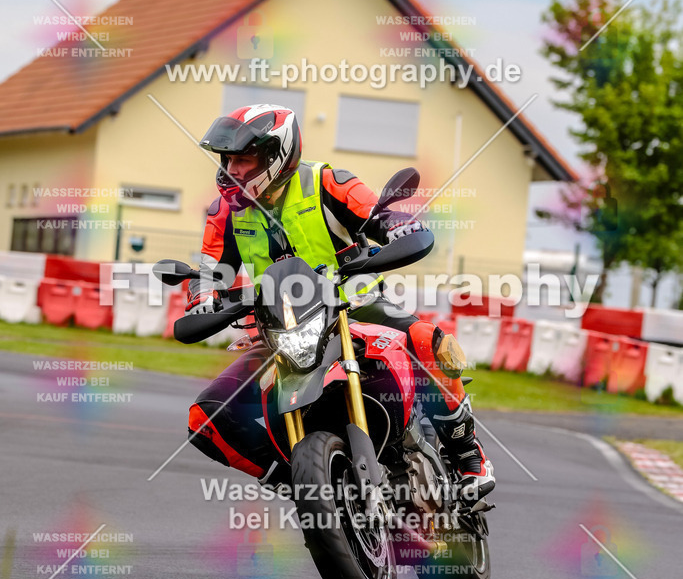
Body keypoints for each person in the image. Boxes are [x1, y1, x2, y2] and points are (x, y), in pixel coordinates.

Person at [186, 104, 495, 499]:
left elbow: (377, 215)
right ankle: (304, 480)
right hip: (283, 326)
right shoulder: (224, 213)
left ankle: (468, 453)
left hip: (355, 306)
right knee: (207, 415)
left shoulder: (327, 181)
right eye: (228, 160)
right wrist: (203, 300)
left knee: (427, 340)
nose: (232, 170)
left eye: (243, 160)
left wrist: (398, 225)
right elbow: (210, 273)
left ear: (276, 155)